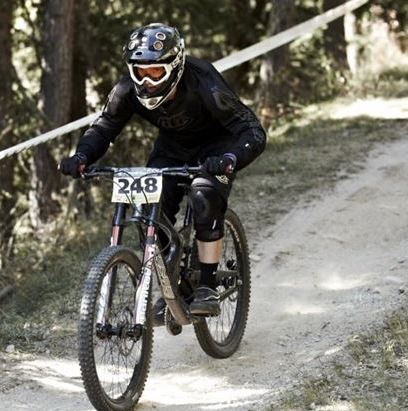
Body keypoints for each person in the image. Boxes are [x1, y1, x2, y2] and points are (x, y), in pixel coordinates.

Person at [59, 23, 266, 316]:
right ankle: (174, 283)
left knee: (204, 194)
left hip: (216, 146)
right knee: (147, 209)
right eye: (139, 72)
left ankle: (206, 285)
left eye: (155, 72)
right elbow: (105, 126)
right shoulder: (127, 89)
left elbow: (252, 130)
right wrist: (82, 155)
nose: (146, 81)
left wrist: (232, 157)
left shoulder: (204, 81)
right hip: (172, 148)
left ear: (175, 67)